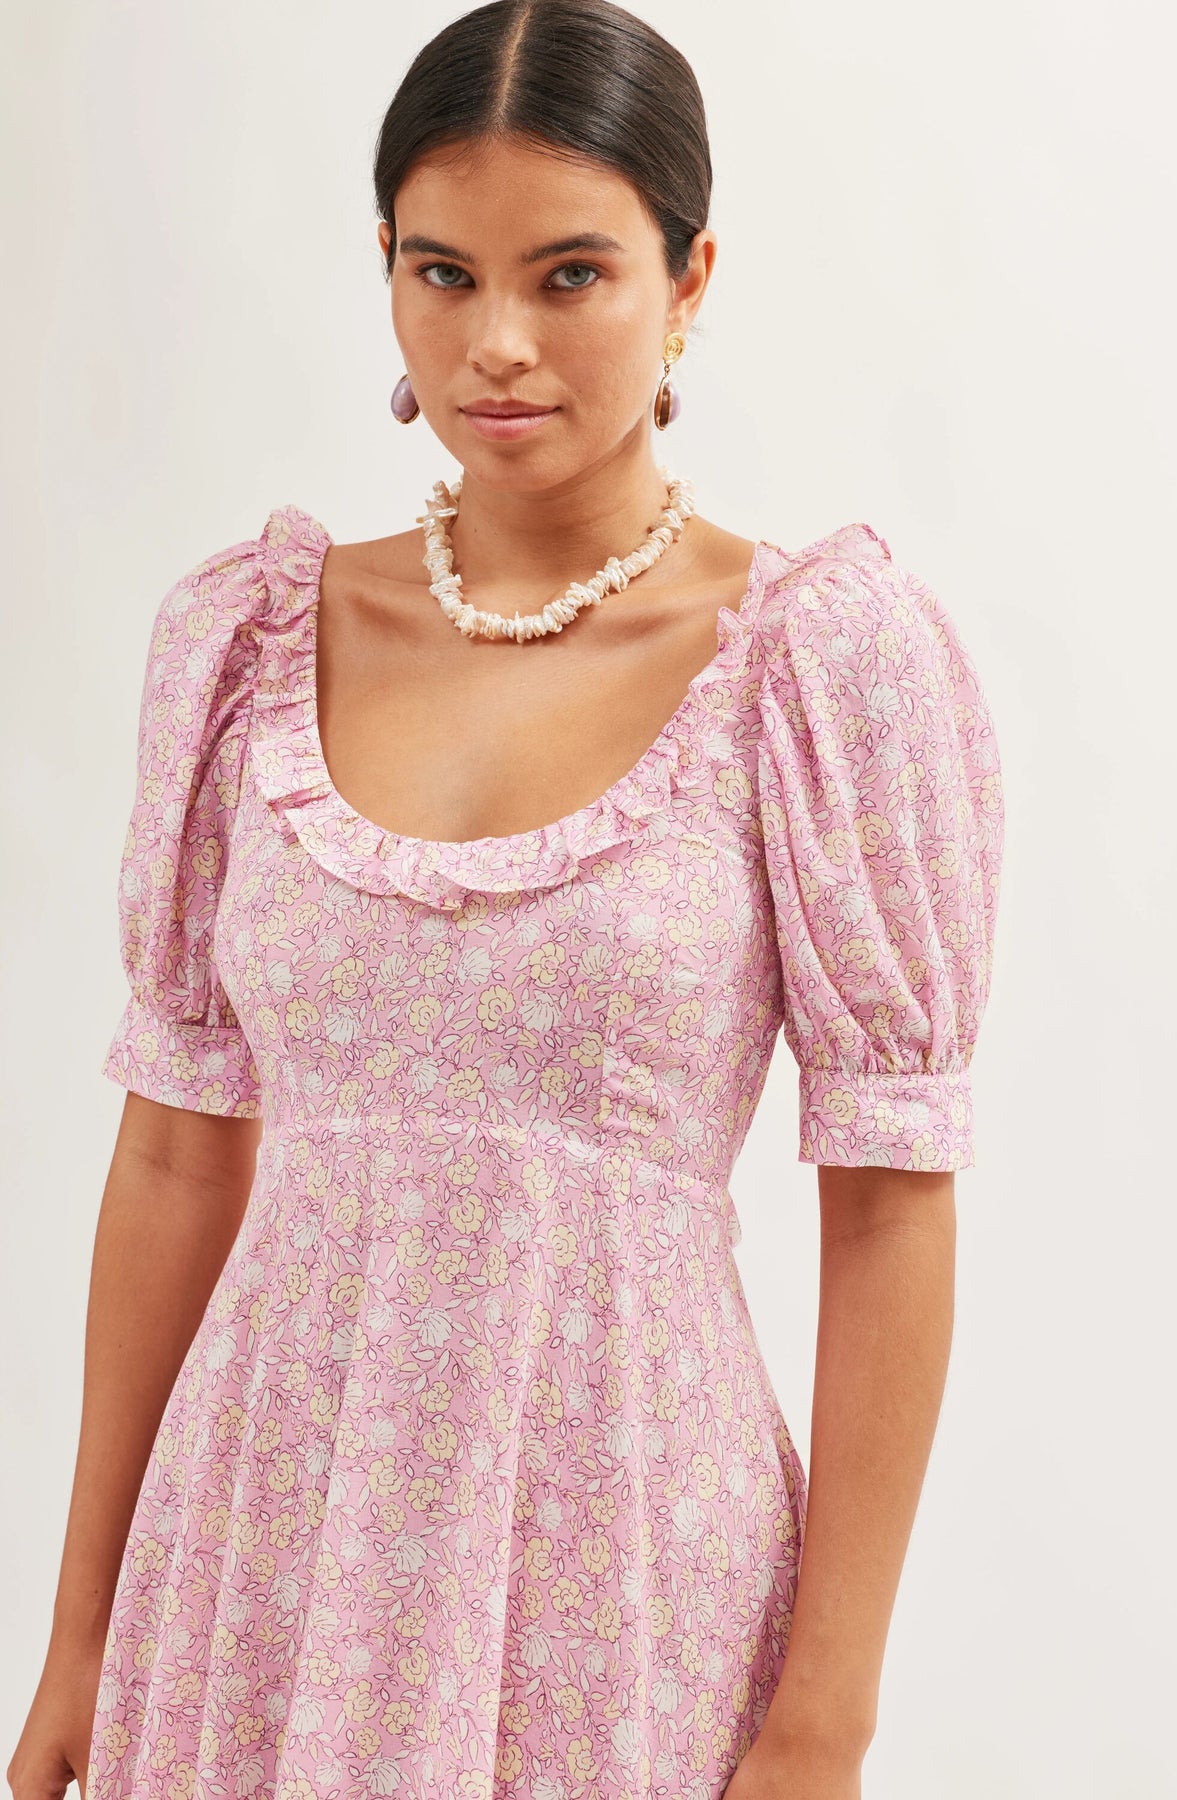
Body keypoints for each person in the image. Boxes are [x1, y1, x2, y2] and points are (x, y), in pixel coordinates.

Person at [8, 4, 1004, 1799]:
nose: (498, 345)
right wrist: (77, 1638)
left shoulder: (817, 666)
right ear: (381, 268)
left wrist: (825, 1716)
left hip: (619, 1571)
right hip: (262, 1551)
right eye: (441, 272)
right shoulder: (244, 641)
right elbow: (173, 1156)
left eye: (570, 275)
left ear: (691, 278)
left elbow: (889, 1213)